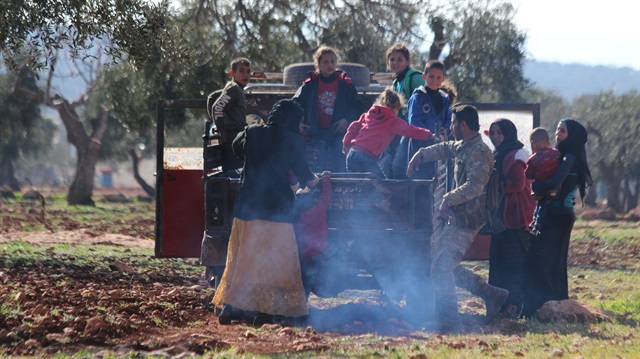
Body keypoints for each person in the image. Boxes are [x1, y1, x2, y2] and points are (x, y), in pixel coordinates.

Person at [213, 99, 320, 325]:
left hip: (247, 208)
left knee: (245, 261)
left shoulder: (253, 132)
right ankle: (271, 310)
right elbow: (305, 176)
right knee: (278, 263)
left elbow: (236, 146)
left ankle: (231, 308)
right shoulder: (293, 140)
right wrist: (316, 181)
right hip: (277, 212)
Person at [406, 104, 508, 332]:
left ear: (462, 124)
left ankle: (450, 322)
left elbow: (475, 186)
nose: (451, 127)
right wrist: (421, 155)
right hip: (458, 216)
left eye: (453, 123)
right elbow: (444, 148)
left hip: (468, 219)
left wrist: (448, 199)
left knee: (441, 266)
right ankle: (490, 293)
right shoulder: (464, 146)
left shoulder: (479, 151)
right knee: (441, 263)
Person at [522, 119, 592, 318]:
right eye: (557, 129)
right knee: (551, 261)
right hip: (556, 213)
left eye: (562, 131)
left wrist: (535, 187)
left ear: (572, 135)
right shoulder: (560, 156)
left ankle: (544, 307)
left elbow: (554, 183)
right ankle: (550, 305)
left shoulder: (569, 157)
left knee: (540, 259)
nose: (557, 134)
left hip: (557, 215)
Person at [484, 119, 536, 317]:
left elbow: (516, 184)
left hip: (515, 218)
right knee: (499, 263)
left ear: (508, 134)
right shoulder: (500, 154)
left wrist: (495, 185)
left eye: (499, 133)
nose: (495, 137)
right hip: (502, 219)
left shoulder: (515, 155)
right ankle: (500, 306)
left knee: (514, 264)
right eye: (493, 133)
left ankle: (516, 306)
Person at [292, 46, 363, 173]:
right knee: (319, 163)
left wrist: (346, 121)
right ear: (317, 64)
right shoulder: (310, 85)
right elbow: (295, 104)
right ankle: (320, 189)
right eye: (325, 62)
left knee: (340, 162)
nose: (329, 64)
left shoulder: (345, 84)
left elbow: (357, 106)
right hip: (318, 131)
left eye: (332, 61)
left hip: (339, 131)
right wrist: (298, 122)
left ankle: (340, 190)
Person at [342, 88, 433, 178]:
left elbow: (353, 127)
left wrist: (346, 143)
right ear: (397, 107)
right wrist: (429, 135)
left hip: (352, 154)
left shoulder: (368, 115)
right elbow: (410, 130)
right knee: (381, 185)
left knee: (359, 186)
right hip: (366, 157)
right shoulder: (391, 121)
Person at [393, 59, 452, 180]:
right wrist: (431, 134)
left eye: (438, 77)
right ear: (424, 76)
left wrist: (446, 130)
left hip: (439, 148)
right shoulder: (418, 97)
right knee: (419, 180)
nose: (434, 81)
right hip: (419, 147)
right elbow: (414, 122)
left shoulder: (444, 98)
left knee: (438, 181)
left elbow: (448, 119)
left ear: (443, 79)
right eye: (431, 77)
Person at [380, 43, 425, 177]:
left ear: (408, 61)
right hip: (400, 128)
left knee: (399, 166)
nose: (395, 62)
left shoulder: (413, 78)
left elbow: (425, 101)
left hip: (412, 129)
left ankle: (402, 195)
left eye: (399, 59)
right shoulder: (396, 82)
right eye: (392, 59)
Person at [293, 170, 336, 297]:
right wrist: (325, 178)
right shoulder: (319, 207)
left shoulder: (295, 216)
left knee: (304, 278)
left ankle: (304, 300)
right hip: (321, 251)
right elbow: (326, 194)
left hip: (303, 253)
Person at [206, 57, 252, 174]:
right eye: (241, 71)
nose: (245, 75)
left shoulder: (237, 89)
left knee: (234, 169)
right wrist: (222, 129)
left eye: (248, 71)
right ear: (232, 73)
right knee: (235, 171)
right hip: (232, 136)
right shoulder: (234, 89)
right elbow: (217, 107)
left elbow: (212, 97)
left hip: (236, 134)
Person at [525, 127, 562, 235]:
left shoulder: (533, 159)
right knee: (546, 204)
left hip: (541, 189)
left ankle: (536, 223)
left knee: (541, 204)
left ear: (533, 144)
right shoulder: (556, 153)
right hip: (555, 188)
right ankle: (537, 222)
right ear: (549, 143)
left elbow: (528, 175)